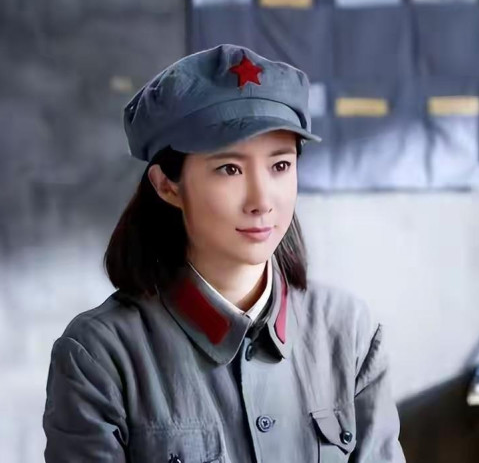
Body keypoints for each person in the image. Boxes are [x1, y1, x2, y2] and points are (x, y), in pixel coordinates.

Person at [42, 43, 405, 463]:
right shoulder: (99, 357)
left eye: (280, 166)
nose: (261, 200)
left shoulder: (349, 332)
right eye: (229, 169)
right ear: (167, 186)